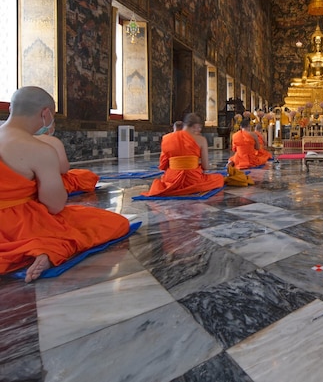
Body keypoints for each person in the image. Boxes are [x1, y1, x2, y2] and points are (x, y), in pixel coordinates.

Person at [0, 86, 130, 282]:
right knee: (113, 222)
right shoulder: (39, 149)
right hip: (18, 223)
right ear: (46, 113)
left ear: (11, 108)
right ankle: (46, 249)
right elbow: (55, 205)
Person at [146, 113, 224, 196]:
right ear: (195, 126)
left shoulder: (166, 138)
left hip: (172, 179)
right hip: (193, 179)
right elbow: (205, 167)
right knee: (219, 178)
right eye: (199, 127)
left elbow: (163, 165)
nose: (199, 130)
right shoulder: (201, 140)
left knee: (161, 181)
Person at [34, 121, 100, 193]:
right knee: (86, 175)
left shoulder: (21, 140)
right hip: (46, 180)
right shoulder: (52, 141)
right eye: (53, 126)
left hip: (24, 183)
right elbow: (63, 169)